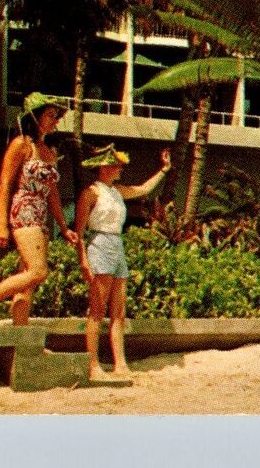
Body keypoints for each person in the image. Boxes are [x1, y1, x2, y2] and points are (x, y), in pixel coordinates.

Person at [0, 93, 78, 326]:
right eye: (50, 115)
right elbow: (5, 183)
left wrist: (63, 226)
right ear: (35, 117)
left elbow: (53, 193)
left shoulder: (49, 151)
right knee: (38, 272)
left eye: (56, 116)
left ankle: (21, 332)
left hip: (40, 214)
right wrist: (1, 224)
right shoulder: (21, 145)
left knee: (26, 279)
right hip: (24, 209)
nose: (55, 120)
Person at [75, 143, 171, 381]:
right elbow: (79, 232)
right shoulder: (90, 193)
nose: (120, 168)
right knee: (97, 310)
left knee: (118, 311)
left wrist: (164, 169)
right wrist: (83, 260)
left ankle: (120, 363)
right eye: (116, 165)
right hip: (100, 244)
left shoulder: (117, 191)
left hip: (117, 244)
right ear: (104, 168)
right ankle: (93, 365)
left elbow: (143, 189)